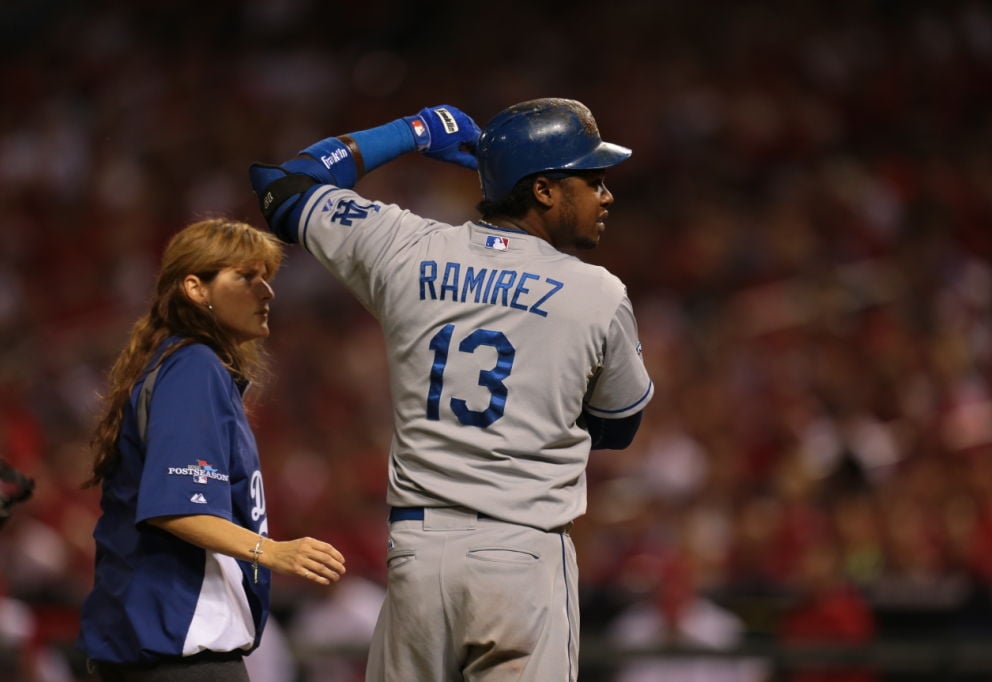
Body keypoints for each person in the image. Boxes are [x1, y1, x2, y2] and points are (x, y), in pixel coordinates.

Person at [249, 98, 654, 681]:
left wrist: (415, 130)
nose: (606, 195)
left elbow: (283, 187)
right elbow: (619, 427)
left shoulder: (407, 247)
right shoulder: (597, 293)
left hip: (418, 556)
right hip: (522, 558)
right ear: (543, 190)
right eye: (591, 180)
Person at [78, 218, 347, 682]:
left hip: (157, 650)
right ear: (196, 288)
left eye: (267, 278)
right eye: (246, 277)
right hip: (177, 652)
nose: (267, 292)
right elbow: (175, 508)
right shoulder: (193, 367)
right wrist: (274, 552)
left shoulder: (181, 365)